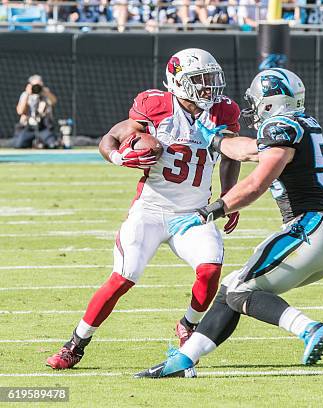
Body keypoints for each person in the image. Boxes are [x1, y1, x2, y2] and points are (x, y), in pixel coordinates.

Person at [135, 68, 323, 378]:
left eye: (258, 101)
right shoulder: (298, 125)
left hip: (307, 228)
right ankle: (182, 361)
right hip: (322, 237)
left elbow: (257, 183)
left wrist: (210, 210)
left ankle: (310, 328)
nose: (253, 107)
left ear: (271, 103)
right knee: (232, 287)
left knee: (240, 290)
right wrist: (215, 137)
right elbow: (247, 150)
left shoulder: (281, 127)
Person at [46, 48, 242, 369]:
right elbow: (111, 137)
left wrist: (230, 195)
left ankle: (187, 325)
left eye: (211, 80)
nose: (209, 88)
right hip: (150, 209)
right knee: (123, 277)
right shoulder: (156, 106)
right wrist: (117, 157)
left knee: (209, 271)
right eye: (200, 80)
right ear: (178, 82)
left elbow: (231, 155)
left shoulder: (223, 112)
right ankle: (75, 344)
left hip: (194, 213)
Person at [14, 75, 59, 149]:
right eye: (35, 85)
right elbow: (20, 111)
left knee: (52, 144)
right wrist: (27, 94)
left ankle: (42, 143)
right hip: (28, 127)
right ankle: (33, 143)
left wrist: (45, 92)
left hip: (43, 127)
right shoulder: (25, 94)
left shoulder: (45, 94)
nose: (36, 88)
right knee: (19, 144)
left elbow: (54, 101)